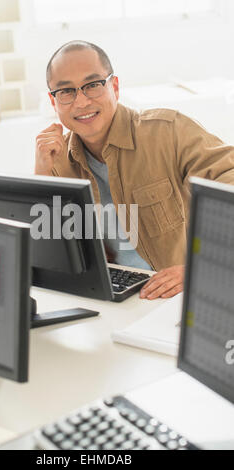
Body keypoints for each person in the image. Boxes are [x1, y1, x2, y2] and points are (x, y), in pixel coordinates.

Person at [34, 40, 234, 300]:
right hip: (109, 296)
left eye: (93, 85)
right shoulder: (56, 159)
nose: (81, 102)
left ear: (114, 87)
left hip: (175, 296)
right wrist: (41, 175)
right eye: (66, 91)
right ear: (54, 101)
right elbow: (50, 256)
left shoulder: (168, 131)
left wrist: (201, 266)